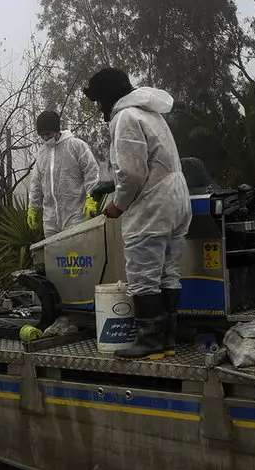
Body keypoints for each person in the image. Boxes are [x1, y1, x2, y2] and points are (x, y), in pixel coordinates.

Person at [82, 67, 191, 361]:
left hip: (153, 201)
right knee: (168, 271)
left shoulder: (126, 117)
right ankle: (167, 340)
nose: (99, 107)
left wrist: (118, 204)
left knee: (144, 273)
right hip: (177, 196)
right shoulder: (150, 114)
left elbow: (130, 172)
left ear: (107, 96)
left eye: (99, 101)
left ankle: (149, 341)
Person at [27, 109, 101, 239]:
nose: (45, 138)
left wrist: (92, 197)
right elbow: (36, 183)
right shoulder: (42, 153)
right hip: (50, 220)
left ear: (56, 130)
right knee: (55, 256)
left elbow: (91, 172)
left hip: (76, 214)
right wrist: (33, 207)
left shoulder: (75, 146)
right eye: (42, 135)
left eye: (48, 134)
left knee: (77, 255)